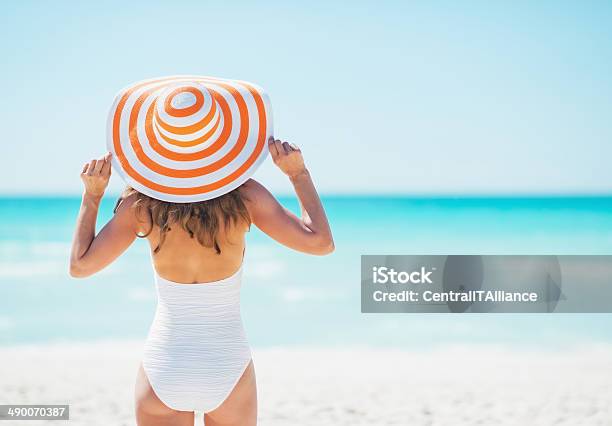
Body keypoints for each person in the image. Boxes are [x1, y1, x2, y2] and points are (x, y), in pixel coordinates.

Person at [69, 137, 334, 426]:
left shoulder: (143, 204)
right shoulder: (244, 196)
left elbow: (80, 266)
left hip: (165, 364)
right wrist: (298, 174)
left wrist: (92, 196)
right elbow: (320, 243)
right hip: (226, 364)